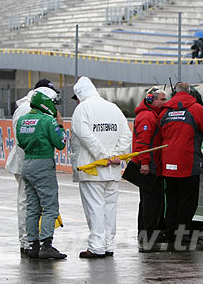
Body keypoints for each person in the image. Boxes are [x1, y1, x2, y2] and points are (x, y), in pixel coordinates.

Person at [70, 77, 132, 258]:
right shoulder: (114, 108)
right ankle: (108, 244)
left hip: (92, 169)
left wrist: (103, 156)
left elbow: (84, 135)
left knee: (94, 208)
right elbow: (126, 135)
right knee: (110, 208)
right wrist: (116, 155)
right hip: (112, 169)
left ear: (79, 95)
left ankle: (96, 246)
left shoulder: (82, 109)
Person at [5, 79, 61, 256]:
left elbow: (20, 139)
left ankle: (30, 243)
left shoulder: (22, 112)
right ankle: (38, 243)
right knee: (45, 205)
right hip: (38, 161)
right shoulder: (43, 117)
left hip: (25, 161)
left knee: (30, 206)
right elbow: (59, 142)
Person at [158, 82, 203, 243]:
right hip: (188, 162)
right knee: (188, 199)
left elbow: (158, 134)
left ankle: (170, 231)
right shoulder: (196, 109)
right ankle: (182, 233)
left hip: (168, 164)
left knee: (172, 199)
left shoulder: (164, 111)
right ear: (191, 93)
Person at [16, 86, 67, 259]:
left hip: (27, 164)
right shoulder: (47, 121)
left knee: (32, 207)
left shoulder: (22, 120)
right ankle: (47, 244)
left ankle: (33, 245)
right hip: (43, 163)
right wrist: (60, 125)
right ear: (46, 102)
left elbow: (21, 143)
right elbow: (61, 143)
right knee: (50, 207)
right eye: (53, 103)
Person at [132, 86, 166, 242]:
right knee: (151, 201)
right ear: (152, 99)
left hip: (151, 163)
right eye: (162, 99)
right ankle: (149, 233)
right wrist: (145, 163)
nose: (165, 102)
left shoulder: (151, 115)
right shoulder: (147, 117)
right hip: (149, 165)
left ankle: (145, 232)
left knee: (148, 200)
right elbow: (143, 142)